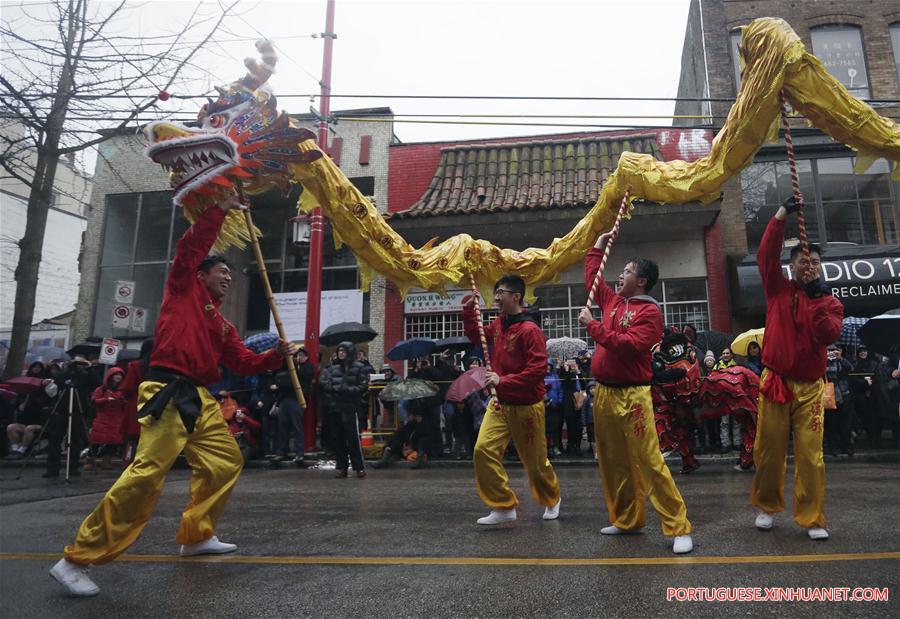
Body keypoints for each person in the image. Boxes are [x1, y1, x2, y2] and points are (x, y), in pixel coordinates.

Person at [50, 195, 297, 597]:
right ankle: (75, 559)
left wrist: (276, 356)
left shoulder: (221, 323)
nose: (228, 278)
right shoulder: (181, 289)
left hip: (199, 398)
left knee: (225, 461)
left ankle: (196, 535)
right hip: (166, 390)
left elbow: (244, 362)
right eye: (221, 271)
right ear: (199, 274)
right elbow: (190, 248)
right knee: (146, 475)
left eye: (231, 275)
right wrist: (221, 209)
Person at [578, 231, 693, 554]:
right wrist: (598, 245)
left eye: (627, 271)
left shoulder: (650, 313)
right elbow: (593, 277)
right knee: (614, 461)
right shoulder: (612, 301)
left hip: (634, 395)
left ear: (641, 280)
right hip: (603, 393)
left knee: (649, 461)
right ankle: (627, 518)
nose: (620, 275)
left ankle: (678, 526)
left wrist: (593, 327)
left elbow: (631, 347)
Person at [749, 198, 843, 541]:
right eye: (803, 261)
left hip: (810, 389)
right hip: (775, 382)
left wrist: (817, 299)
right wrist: (780, 216)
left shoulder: (830, 302)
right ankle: (767, 505)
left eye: (814, 262)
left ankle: (812, 516)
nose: (809, 266)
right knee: (769, 450)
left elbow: (827, 334)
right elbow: (765, 255)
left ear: (820, 267)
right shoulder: (777, 288)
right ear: (791, 267)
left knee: (811, 454)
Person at [463, 274, 561, 525]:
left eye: (501, 292)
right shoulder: (498, 324)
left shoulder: (530, 331)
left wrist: (502, 380)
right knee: (482, 450)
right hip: (499, 405)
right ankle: (503, 505)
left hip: (527, 406)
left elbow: (537, 372)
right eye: (495, 292)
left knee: (535, 462)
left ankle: (551, 498)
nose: (496, 297)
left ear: (516, 297)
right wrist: (468, 312)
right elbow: (478, 337)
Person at [319, 341, 369, 478]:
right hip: (336, 407)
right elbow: (324, 382)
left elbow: (364, 386)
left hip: (351, 406)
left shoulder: (359, 368)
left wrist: (349, 390)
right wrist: (331, 389)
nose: (341, 353)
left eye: (343, 351)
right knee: (337, 438)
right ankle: (341, 466)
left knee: (353, 439)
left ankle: (358, 467)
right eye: (339, 350)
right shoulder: (333, 368)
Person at [271, 347, 313, 466]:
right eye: (296, 356)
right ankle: (281, 451)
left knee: (297, 426)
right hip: (285, 399)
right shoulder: (287, 368)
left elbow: (305, 377)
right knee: (282, 426)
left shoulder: (307, 368)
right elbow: (281, 380)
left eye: (301, 355)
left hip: (297, 399)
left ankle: (299, 452)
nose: (298, 358)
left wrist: (296, 367)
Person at [117, 338, 153, 464]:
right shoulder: (159, 367)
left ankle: (129, 463)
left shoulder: (136, 366)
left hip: (136, 406)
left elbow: (127, 387)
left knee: (132, 440)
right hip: (155, 406)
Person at [86, 367, 127, 470]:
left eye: (120, 375)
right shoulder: (101, 389)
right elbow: (94, 401)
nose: (118, 377)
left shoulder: (123, 390)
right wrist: (106, 399)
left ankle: (107, 461)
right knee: (96, 441)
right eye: (116, 375)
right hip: (103, 418)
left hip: (117, 418)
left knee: (113, 442)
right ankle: (90, 460)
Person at [824, 344, 854, 457]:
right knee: (832, 423)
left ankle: (846, 446)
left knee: (846, 423)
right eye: (829, 350)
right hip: (830, 395)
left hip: (844, 393)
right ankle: (833, 447)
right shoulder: (823, 361)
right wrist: (825, 359)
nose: (832, 352)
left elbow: (851, 368)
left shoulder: (842, 361)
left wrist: (840, 358)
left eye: (835, 350)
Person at [715, 348, 741, 453]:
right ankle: (725, 444)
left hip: (734, 397)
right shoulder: (717, 366)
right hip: (723, 398)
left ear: (731, 355)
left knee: (736, 421)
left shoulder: (736, 366)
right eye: (723, 353)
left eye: (727, 353)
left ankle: (737, 442)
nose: (725, 355)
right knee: (724, 422)